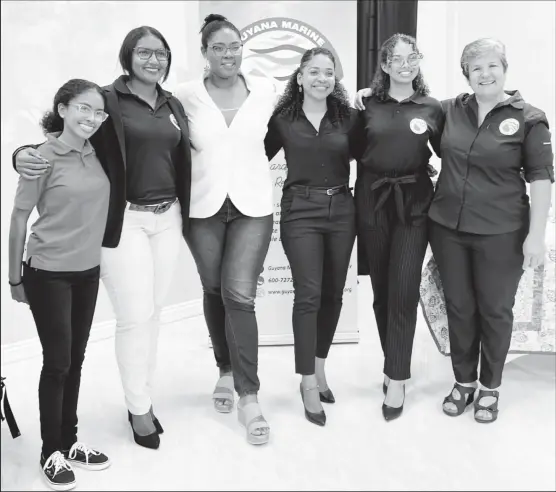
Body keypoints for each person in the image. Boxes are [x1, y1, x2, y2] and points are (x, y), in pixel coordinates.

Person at [12, 26, 193, 449]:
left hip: (168, 218)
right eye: (144, 52)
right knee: (134, 315)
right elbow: (68, 129)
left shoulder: (173, 103)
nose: (154, 60)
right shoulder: (108, 99)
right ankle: (138, 408)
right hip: (124, 221)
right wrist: (20, 153)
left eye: (161, 53)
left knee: (154, 313)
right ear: (126, 56)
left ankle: (142, 394)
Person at [427, 38, 554, 423]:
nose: (485, 74)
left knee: (495, 311)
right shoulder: (449, 111)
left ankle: (490, 386)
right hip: (448, 227)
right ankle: (464, 381)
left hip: (502, 232)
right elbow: (409, 114)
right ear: (466, 74)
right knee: (460, 308)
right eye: (476, 68)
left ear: (504, 69)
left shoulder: (530, 118)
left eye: (492, 66)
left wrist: (537, 235)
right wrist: (371, 93)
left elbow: (541, 179)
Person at [174, 14, 275, 445]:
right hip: (203, 208)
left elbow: (317, 98)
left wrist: (365, 95)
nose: (228, 53)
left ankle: (248, 396)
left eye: (234, 45)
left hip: (253, 207)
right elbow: (128, 116)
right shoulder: (183, 96)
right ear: (205, 53)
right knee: (214, 290)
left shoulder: (267, 89)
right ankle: (225, 369)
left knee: (239, 294)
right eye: (219, 47)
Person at [9, 79, 111, 491]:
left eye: (99, 112)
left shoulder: (97, 152)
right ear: (63, 108)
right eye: (83, 109)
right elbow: (18, 218)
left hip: (88, 272)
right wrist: (14, 276)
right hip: (48, 272)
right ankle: (50, 451)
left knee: (77, 358)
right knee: (58, 363)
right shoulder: (41, 158)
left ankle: (69, 442)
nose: (91, 118)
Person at [264, 47, 362, 426]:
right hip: (300, 210)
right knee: (309, 294)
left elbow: (372, 155)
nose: (322, 79)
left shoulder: (349, 119)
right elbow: (253, 157)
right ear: (300, 77)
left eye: (328, 73)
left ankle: (320, 368)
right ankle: (306, 381)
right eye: (314, 72)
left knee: (334, 294)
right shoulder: (282, 119)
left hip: (342, 209)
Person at [352, 34, 443, 421]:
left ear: (418, 61)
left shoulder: (433, 107)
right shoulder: (366, 104)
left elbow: (450, 152)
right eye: (396, 58)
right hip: (372, 199)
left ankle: (397, 377)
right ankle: (393, 360)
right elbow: (352, 148)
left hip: (414, 202)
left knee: (404, 288)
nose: (405, 64)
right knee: (382, 292)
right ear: (385, 65)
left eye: (412, 57)